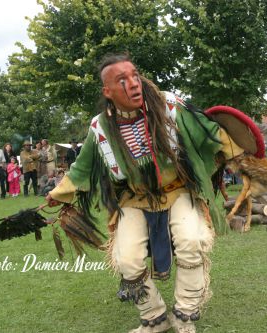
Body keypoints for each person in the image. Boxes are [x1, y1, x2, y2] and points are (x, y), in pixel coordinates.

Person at [46, 54, 245, 333]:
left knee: (192, 241)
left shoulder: (169, 107)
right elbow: (82, 167)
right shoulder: (100, 127)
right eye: (122, 80)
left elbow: (209, 132)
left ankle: (185, 315)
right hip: (134, 198)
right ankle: (155, 317)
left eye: (135, 75)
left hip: (178, 191)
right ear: (107, 91)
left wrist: (241, 156)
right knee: (126, 259)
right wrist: (58, 193)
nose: (134, 83)